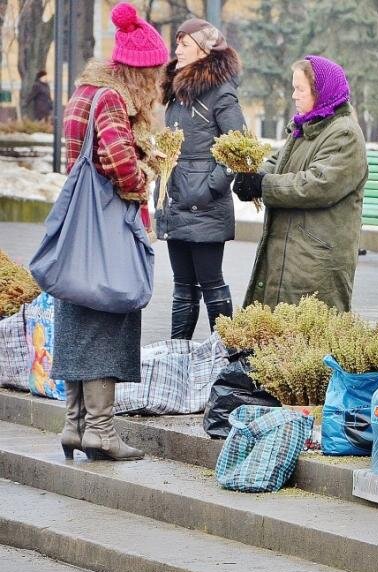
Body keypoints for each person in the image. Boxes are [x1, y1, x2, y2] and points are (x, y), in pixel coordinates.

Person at [53, 3, 168, 461]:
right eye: (154, 74)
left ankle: (74, 424)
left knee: (78, 317)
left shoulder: (85, 92)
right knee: (106, 316)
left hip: (79, 231)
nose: (157, 84)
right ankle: (101, 430)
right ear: (140, 71)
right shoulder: (114, 100)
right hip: (108, 229)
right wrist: (146, 176)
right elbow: (119, 164)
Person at [234, 55, 367, 312]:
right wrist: (252, 175)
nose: (294, 96)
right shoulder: (306, 126)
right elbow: (279, 162)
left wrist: (264, 185)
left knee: (307, 336)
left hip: (316, 256)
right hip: (291, 251)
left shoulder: (344, 133)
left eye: (300, 89)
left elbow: (317, 184)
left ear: (321, 92)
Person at [157, 18, 245, 339]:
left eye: (184, 42)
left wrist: (208, 188)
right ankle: (177, 355)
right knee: (182, 286)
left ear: (203, 48)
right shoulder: (177, 91)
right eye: (177, 41)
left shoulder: (220, 92)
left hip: (204, 205)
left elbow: (239, 148)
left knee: (210, 282)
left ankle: (224, 354)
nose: (176, 47)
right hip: (176, 199)